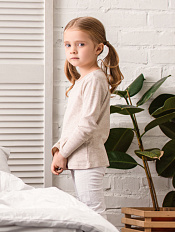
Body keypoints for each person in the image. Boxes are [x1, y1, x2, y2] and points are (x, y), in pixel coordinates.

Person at [51, 16, 122, 214]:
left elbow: (87, 125)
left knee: (93, 211)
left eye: (80, 44)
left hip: (88, 158)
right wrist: (59, 149)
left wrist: (63, 153)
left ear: (98, 48)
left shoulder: (94, 80)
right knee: (87, 210)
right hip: (80, 157)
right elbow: (73, 124)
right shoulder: (84, 80)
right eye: (68, 45)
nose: (72, 50)